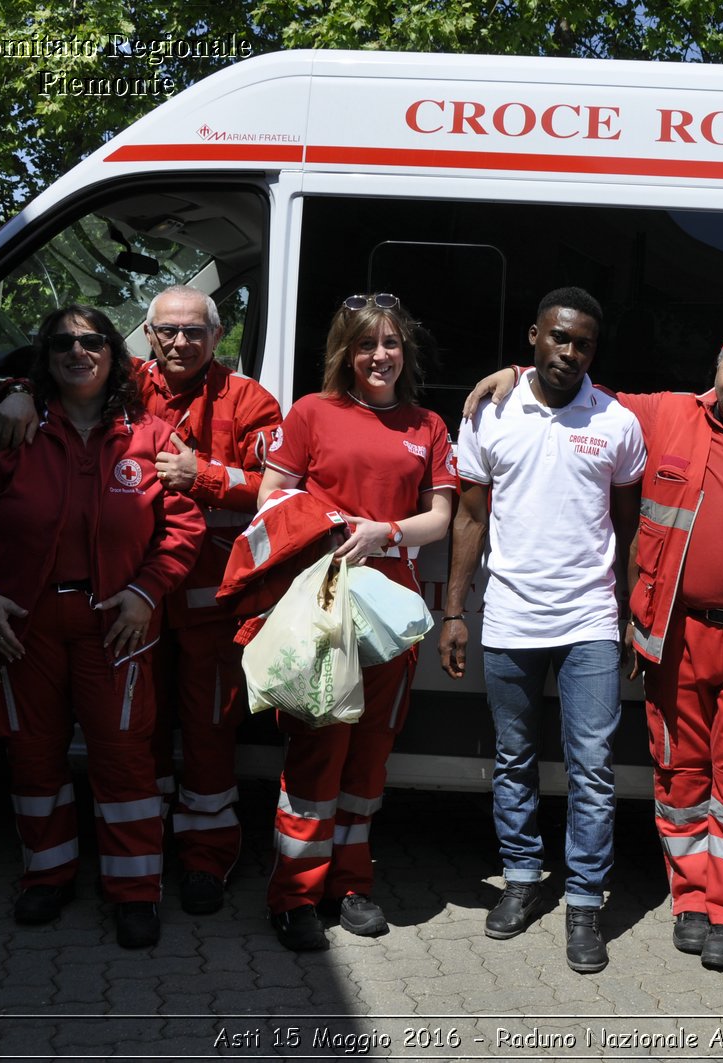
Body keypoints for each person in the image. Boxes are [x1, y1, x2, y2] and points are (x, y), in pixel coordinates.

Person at [463, 314, 723, 972]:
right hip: (676, 637)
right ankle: (692, 902)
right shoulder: (666, 413)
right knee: (679, 779)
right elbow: (570, 384)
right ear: (717, 366)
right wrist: (516, 371)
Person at [0, 286, 284, 916]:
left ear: (217, 334)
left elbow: (279, 486)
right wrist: (16, 387)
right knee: (136, 740)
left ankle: (204, 859)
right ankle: (140, 856)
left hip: (207, 601)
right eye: (167, 331)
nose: (180, 342)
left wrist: (201, 476)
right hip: (125, 608)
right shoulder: (130, 382)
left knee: (208, 734)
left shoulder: (250, 399)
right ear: (147, 336)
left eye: (194, 331)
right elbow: (66, 372)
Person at [0, 305, 205, 949]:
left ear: (114, 353)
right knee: (32, 754)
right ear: (45, 357)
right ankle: (46, 876)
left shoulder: (150, 435)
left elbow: (183, 526)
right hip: (23, 626)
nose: (77, 352)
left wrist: (146, 592)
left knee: (123, 760)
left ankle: (135, 890)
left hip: (118, 626)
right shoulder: (10, 430)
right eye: (62, 342)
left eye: (91, 341)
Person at [439, 287, 644, 974]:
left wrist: (629, 613)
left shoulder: (616, 419)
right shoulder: (490, 410)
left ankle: (585, 900)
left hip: (588, 617)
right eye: (559, 337)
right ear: (534, 336)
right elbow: (468, 518)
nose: (570, 352)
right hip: (510, 616)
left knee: (592, 766)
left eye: (583, 342)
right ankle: (523, 878)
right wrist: (455, 611)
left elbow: (630, 523)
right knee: (514, 759)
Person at [256, 292, 456, 952]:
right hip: (323, 605)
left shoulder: (427, 424)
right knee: (318, 750)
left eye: (392, 343)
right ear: (347, 351)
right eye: (367, 344)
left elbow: (441, 517)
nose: (380, 356)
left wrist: (386, 530)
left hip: (392, 614)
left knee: (368, 758)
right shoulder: (313, 413)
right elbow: (271, 496)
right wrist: (331, 527)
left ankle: (351, 883)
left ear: (407, 351)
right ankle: (294, 894)